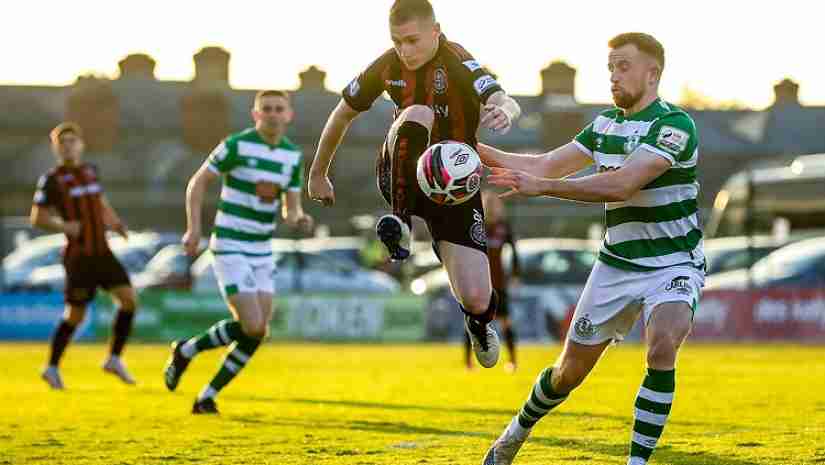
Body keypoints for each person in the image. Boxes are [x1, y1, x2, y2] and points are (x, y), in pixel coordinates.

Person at [480, 33, 704, 465]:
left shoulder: (675, 126)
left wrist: (543, 188)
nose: (614, 77)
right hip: (615, 266)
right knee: (567, 374)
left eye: (623, 67)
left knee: (661, 346)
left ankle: (636, 462)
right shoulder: (604, 125)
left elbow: (622, 183)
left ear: (652, 73)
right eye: (610, 68)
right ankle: (512, 438)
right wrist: (475, 151)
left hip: (674, 263)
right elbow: (543, 164)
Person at [308, 0, 521, 368]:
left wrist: (504, 110)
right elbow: (342, 112)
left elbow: (502, 97)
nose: (404, 51)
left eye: (412, 41)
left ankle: (479, 321)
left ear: (436, 32)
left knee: (476, 297)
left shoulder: (457, 59)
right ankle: (401, 225)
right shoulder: (386, 65)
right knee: (417, 112)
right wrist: (317, 173)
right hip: (400, 173)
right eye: (397, 42)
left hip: (455, 189)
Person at [164, 90, 313, 414]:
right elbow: (198, 182)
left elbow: (290, 209)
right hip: (230, 243)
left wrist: (299, 218)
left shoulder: (292, 156)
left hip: (262, 249)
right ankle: (188, 353)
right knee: (254, 325)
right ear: (255, 114)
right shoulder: (236, 145)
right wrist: (194, 228)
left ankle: (203, 391)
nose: (273, 114)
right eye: (266, 109)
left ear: (289, 115)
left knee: (256, 331)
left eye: (279, 109)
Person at [31, 122, 138, 389]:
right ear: (56, 148)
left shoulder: (91, 172)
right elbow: (36, 217)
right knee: (75, 316)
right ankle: (52, 367)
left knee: (129, 300)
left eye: (72, 141)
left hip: (103, 252)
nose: (68, 146)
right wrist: (63, 226)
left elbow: (100, 202)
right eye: (62, 142)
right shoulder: (52, 180)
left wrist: (115, 222)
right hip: (79, 257)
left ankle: (113, 359)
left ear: (81, 145)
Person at [464, 190, 520, 372]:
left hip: (498, 282)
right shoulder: (476, 226)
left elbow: (515, 253)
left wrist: (516, 275)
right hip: (478, 282)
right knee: (473, 321)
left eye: (495, 203)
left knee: (506, 322)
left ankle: (512, 361)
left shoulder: (504, 227)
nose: (492, 207)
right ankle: (468, 362)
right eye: (488, 203)